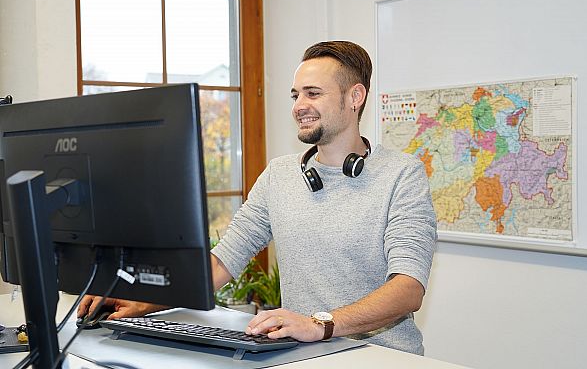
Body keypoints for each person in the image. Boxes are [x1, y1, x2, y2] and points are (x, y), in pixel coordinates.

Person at [78, 41, 437, 354]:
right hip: (305, 354)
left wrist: (320, 324)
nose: (299, 106)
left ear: (354, 97)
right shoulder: (280, 175)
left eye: (313, 93)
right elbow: (222, 262)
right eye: (296, 95)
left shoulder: (402, 174)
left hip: (382, 356)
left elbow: (408, 289)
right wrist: (145, 300)